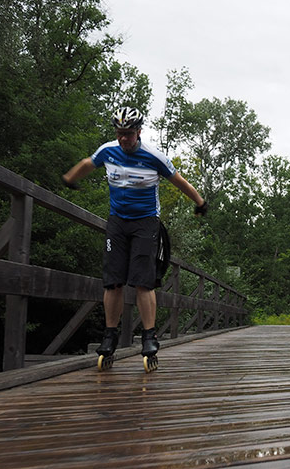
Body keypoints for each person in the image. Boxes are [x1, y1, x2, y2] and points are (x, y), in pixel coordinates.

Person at [61, 106, 207, 366]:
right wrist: (70, 178)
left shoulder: (153, 156)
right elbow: (87, 163)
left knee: (143, 280)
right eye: (120, 133)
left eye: (128, 133)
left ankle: (149, 337)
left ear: (139, 132)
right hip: (117, 221)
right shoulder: (108, 151)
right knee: (113, 280)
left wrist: (200, 202)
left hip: (146, 222)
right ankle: (110, 335)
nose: (124, 139)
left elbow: (179, 181)